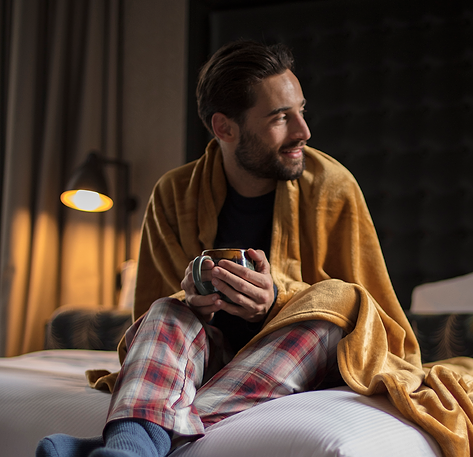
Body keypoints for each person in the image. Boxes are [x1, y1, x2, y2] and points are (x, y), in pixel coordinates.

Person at [36, 40, 403, 457]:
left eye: (301, 110)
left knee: (335, 303)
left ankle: (130, 446)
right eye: (282, 118)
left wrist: (277, 300)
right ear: (225, 128)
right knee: (165, 310)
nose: (304, 130)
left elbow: (373, 319)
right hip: (208, 356)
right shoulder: (173, 194)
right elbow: (149, 318)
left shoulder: (333, 187)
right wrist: (193, 301)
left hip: (299, 354)